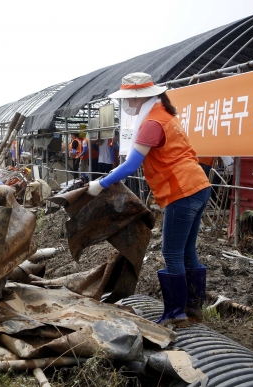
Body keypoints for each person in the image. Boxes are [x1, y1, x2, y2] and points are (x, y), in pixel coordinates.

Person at [87, 73, 211, 327]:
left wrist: (100, 183)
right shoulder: (165, 115)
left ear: (139, 97)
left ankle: (176, 314)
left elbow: (131, 164)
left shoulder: (152, 123)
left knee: (172, 252)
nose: (127, 106)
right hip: (199, 185)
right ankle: (193, 309)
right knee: (187, 250)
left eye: (128, 100)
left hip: (182, 191)